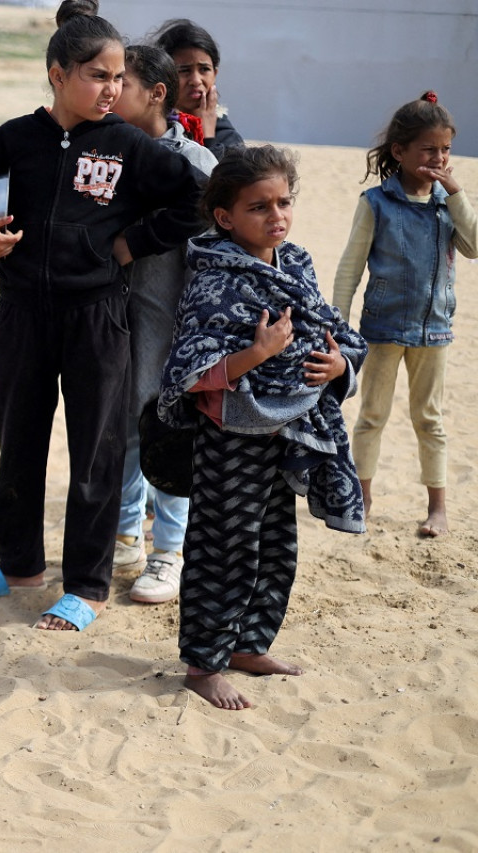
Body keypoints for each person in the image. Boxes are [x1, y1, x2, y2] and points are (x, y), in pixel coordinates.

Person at [0, 15, 203, 631]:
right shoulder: (14, 139)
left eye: (119, 77)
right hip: (21, 314)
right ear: (58, 75)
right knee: (19, 441)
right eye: (98, 76)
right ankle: (19, 566)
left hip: (97, 315)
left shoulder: (128, 145)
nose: (112, 88)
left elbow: (200, 198)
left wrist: (133, 241)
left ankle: (88, 585)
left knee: (97, 451)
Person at [157, 145, 366, 710]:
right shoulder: (214, 275)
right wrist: (258, 353)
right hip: (231, 436)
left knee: (276, 545)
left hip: (290, 429)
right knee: (223, 547)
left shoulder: (294, 262)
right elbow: (191, 369)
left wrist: (339, 364)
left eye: (284, 202)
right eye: (259, 207)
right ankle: (204, 664)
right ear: (225, 217)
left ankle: (250, 645)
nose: (276, 216)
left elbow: (332, 326)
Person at [333, 92, 477, 538]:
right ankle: (364, 497)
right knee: (372, 415)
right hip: (381, 327)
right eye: (429, 149)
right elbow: (349, 268)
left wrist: (456, 194)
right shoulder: (375, 203)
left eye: (446, 149)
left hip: (435, 329)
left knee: (429, 419)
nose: (439, 158)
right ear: (400, 151)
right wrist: (338, 323)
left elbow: (473, 246)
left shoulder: (445, 203)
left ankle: (437, 507)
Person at [109, 44, 218, 603]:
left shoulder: (196, 165)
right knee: (121, 434)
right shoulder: (102, 154)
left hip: (171, 332)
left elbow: (216, 264)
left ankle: (168, 553)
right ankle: (125, 536)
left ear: (155, 93)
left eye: (120, 82)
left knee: (169, 435)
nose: (109, 91)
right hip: (113, 329)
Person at [151, 18, 243, 161]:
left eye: (204, 69)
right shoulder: (152, 127)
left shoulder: (228, 138)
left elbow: (221, 182)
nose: (195, 80)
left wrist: (207, 136)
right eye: (184, 70)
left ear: (215, 74)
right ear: (165, 76)